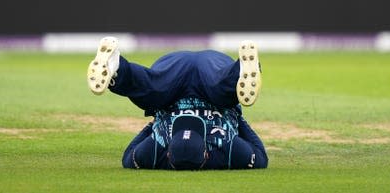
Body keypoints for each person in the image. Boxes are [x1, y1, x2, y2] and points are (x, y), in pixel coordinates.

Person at [86, 37, 268, 170]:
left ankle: (238, 72)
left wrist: (237, 116)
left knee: (219, 90)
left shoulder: (225, 147)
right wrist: (155, 124)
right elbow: (129, 156)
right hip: (194, 71)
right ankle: (118, 69)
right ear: (206, 154)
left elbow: (260, 156)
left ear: (168, 154)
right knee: (153, 90)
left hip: (185, 71)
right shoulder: (158, 145)